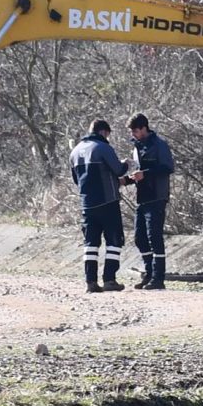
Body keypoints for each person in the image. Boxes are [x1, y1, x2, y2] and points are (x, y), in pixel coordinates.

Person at [69, 118, 127, 292]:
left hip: (86, 204)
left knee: (91, 244)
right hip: (108, 201)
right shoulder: (103, 147)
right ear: (103, 132)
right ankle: (109, 279)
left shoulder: (75, 152)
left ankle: (91, 282)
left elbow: (75, 180)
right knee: (114, 241)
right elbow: (118, 170)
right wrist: (127, 163)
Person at [123, 112, 176, 290]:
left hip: (157, 196)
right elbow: (139, 172)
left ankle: (158, 278)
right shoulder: (136, 148)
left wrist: (145, 174)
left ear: (144, 128)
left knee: (155, 237)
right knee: (140, 238)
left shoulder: (160, 145)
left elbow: (168, 167)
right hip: (142, 198)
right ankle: (149, 274)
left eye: (135, 131)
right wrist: (126, 180)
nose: (133, 135)